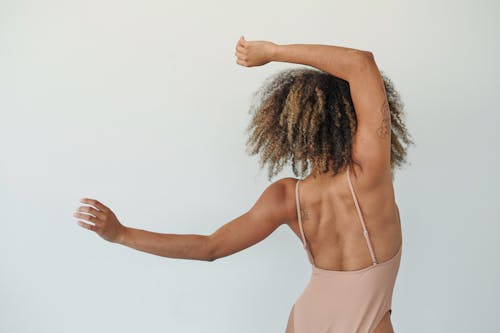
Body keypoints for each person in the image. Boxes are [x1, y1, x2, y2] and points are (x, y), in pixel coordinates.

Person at [73, 36, 414, 333]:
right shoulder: (369, 174)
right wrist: (273, 51)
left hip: (308, 320)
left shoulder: (286, 196)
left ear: (290, 129)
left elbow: (211, 247)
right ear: (350, 119)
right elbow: (359, 62)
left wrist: (121, 234)